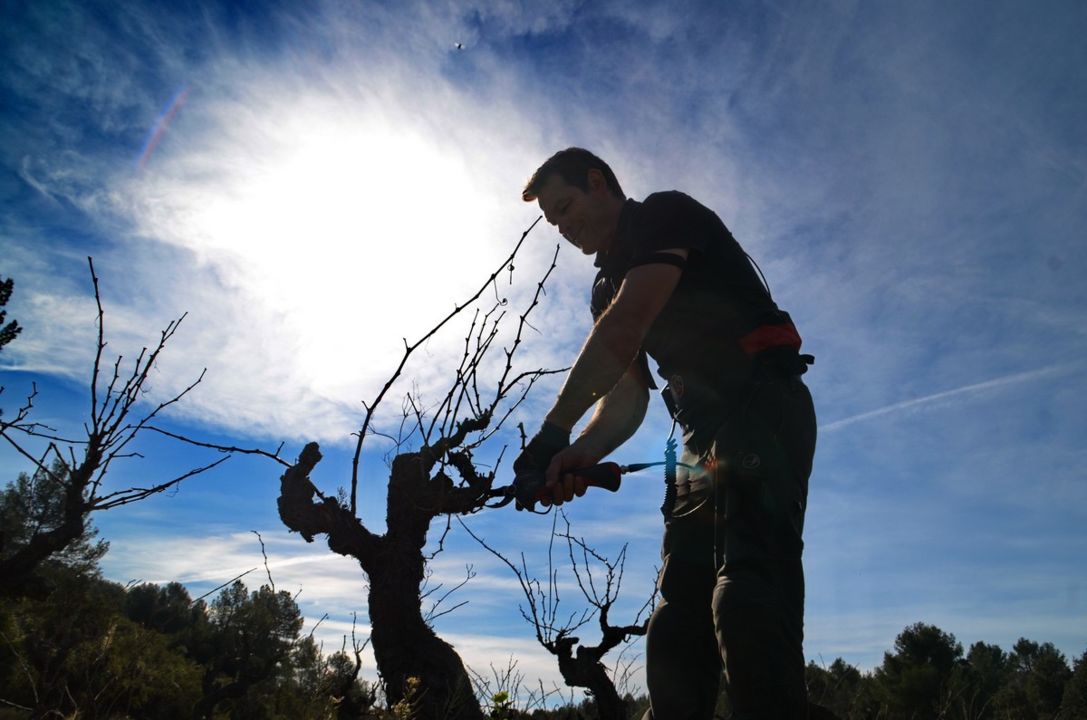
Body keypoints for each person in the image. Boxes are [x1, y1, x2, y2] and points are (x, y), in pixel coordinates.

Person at [513, 148, 817, 719]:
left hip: (763, 406)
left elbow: (627, 329)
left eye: (566, 206)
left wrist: (553, 432)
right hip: (698, 444)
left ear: (598, 182)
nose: (563, 225)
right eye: (553, 221)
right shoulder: (604, 288)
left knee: (748, 590)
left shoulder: (663, 216)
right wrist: (576, 455)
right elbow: (626, 399)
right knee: (678, 615)